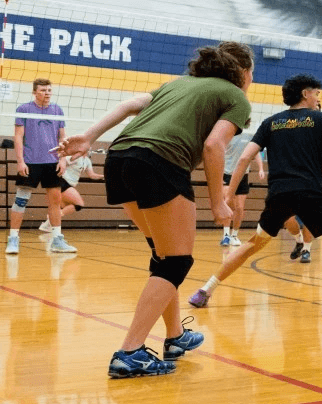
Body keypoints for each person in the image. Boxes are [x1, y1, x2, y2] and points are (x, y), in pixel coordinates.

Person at [54, 41, 253, 378]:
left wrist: (88, 137)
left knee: (164, 256)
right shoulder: (236, 97)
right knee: (177, 261)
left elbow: (130, 104)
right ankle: (129, 352)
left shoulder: (178, 84)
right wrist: (218, 201)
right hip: (158, 161)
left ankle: (175, 337)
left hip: (120, 157)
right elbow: (213, 145)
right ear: (244, 72)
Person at [188, 73, 322, 318]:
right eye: (316, 93)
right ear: (305, 93)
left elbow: (244, 158)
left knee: (252, 244)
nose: (318, 98)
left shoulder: (270, 123)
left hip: (278, 195)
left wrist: (228, 195)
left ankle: (205, 290)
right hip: (311, 193)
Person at [6, 78, 77, 254]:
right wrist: (20, 161)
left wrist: (62, 159)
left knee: (55, 202)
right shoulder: (24, 109)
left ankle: (57, 240)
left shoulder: (57, 110)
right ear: (34, 92)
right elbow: (18, 136)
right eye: (43, 90)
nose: (47, 93)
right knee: (20, 201)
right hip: (30, 162)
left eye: (49, 90)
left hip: (52, 162)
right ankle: (13, 239)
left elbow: (62, 137)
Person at [38, 153, 105, 232]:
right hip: (63, 182)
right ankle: (51, 220)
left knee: (65, 206)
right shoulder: (74, 156)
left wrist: (104, 176)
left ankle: (48, 223)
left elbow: (92, 175)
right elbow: (62, 162)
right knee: (79, 204)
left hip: (70, 185)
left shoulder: (87, 160)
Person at [220, 134, 265, 246]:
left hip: (243, 176)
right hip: (227, 174)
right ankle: (226, 235)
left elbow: (255, 153)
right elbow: (219, 153)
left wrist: (261, 168)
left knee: (239, 207)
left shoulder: (249, 136)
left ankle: (234, 235)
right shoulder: (228, 134)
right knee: (228, 204)